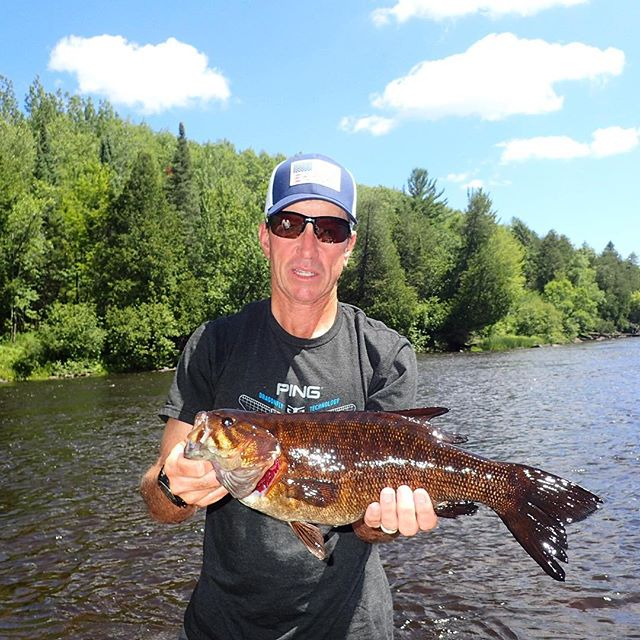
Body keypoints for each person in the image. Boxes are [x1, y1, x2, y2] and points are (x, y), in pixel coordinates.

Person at [140, 152, 438, 640]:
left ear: (349, 247)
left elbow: (366, 527)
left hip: (351, 626)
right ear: (265, 238)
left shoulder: (386, 355)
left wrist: (386, 520)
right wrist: (174, 487)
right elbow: (159, 501)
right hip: (224, 626)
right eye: (290, 223)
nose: (308, 245)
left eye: (329, 230)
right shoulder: (214, 345)